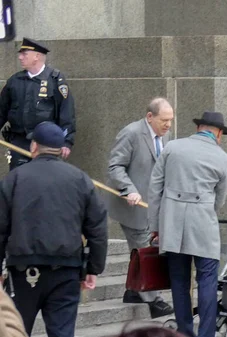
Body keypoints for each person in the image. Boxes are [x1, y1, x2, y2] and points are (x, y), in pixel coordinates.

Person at [0, 122, 107, 337]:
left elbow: (1, 227)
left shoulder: (14, 179)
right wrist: (93, 268)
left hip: (24, 272)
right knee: (62, 332)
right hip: (66, 271)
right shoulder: (80, 179)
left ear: (34, 146)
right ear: (60, 149)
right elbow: (97, 227)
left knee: (16, 330)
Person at [147, 112, 227, 337]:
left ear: (199, 128)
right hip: (203, 223)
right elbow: (219, 200)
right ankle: (206, 334)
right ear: (219, 133)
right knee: (207, 280)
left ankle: (183, 332)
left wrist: (156, 226)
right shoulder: (224, 158)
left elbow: (155, 188)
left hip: (172, 224)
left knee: (179, 280)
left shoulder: (172, 148)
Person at [106, 97, 174, 317]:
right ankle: (155, 300)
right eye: (164, 120)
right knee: (145, 248)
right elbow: (115, 166)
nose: (168, 125)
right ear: (150, 117)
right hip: (132, 204)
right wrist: (129, 189)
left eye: (170, 121)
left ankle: (133, 291)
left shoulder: (166, 136)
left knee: (139, 250)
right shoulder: (131, 133)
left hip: (153, 205)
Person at [0, 38, 76, 170]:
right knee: (19, 181)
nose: (20, 57)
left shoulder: (55, 80)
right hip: (19, 142)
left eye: (24, 54)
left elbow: (66, 113)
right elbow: (1, 110)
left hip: (46, 144)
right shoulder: (15, 81)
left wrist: (66, 141)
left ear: (37, 56)